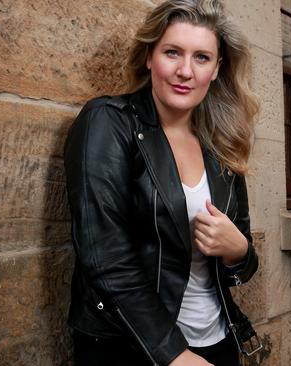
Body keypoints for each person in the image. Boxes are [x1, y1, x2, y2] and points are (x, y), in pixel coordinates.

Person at [63, 1, 260, 365]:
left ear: (216, 69)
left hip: (218, 340)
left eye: (201, 58)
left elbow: (243, 261)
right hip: (133, 346)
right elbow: (104, 256)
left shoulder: (220, 145)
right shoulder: (108, 122)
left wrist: (239, 251)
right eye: (172, 52)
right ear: (150, 56)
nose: (185, 70)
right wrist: (172, 353)